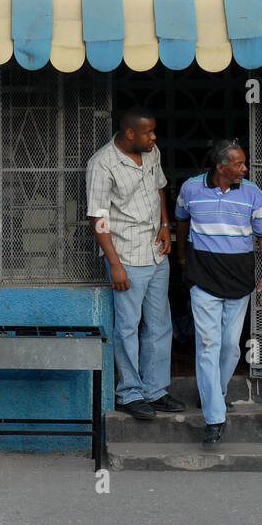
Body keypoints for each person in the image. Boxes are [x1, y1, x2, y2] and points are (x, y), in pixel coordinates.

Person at [86, 110, 185, 420]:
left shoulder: (150, 152)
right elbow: (98, 217)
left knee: (159, 324)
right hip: (127, 255)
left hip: (156, 252)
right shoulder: (102, 164)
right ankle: (130, 393)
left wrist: (165, 225)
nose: (154, 137)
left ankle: (155, 390)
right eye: (149, 132)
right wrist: (114, 263)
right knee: (128, 327)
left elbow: (159, 188)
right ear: (130, 133)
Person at [175, 140, 262, 447]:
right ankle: (214, 418)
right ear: (220, 167)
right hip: (202, 279)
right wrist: (181, 257)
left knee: (230, 347)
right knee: (208, 344)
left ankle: (214, 393)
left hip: (239, 282)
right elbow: (181, 220)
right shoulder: (191, 189)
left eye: (244, 163)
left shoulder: (252, 193)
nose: (244, 169)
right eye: (239, 164)